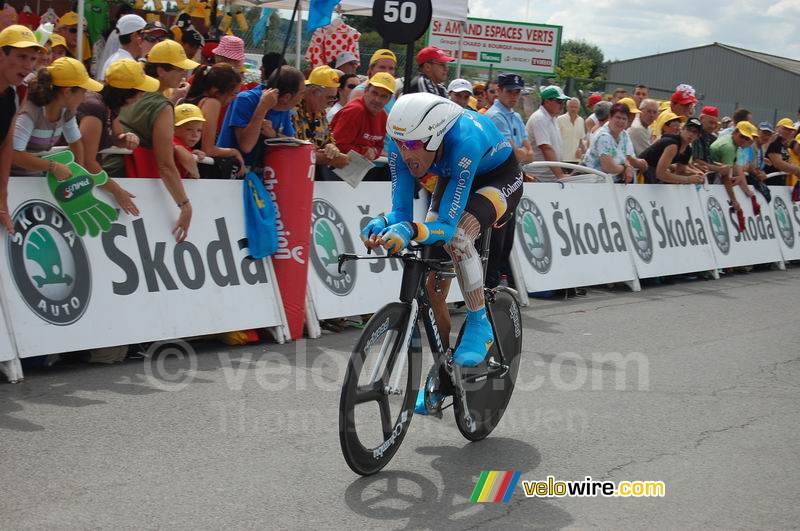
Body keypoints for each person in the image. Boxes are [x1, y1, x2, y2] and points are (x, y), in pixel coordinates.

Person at [360, 93, 523, 414]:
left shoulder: (466, 139)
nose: (407, 154)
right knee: (434, 285)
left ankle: (480, 323)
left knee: (460, 234)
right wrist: (379, 223)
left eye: (414, 145)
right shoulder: (401, 143)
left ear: (435, 137)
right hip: (451, 175)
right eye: (401, 145)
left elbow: (448, 225)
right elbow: (401, 211)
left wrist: (412, 230)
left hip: (498, 178)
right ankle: (443, 373)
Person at [116, 39, 198, 242]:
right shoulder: (161, 106)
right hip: (128, 180)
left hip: (110, 174)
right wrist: (185, 205)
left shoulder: (133, 91)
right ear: (161, 71)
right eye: (179, 70)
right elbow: (166, 166)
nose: (184, 75)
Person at [78, 59, 159, 214]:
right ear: (126, 93)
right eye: (140, 91)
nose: (142, 95)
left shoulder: (110, 106)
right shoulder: (94, 108)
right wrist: (117, 191)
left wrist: (125, 138)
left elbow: (116, 137)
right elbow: (87, 163)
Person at [12, 57, 103, 177]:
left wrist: (78, 173)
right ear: (67, 92)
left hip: (34, 177)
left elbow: (75, 143)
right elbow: (15, 154)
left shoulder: (67, 111)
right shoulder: (30, 113)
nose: (86, 96)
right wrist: (53, 167)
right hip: (11, 179)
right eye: (83, 92)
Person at [216, 65, 305, 169]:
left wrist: (274, 135)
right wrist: (262, 108)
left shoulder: (284, 109)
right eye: (302, 93)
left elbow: (292, 143)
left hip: (262, 173)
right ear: (286, 97)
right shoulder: (245, 99)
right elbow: (246, 146)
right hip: (232, 171)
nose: (303, 97)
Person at [0, 25, 43, 233]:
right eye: (22, 56)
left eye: (33, 59)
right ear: (1, 54)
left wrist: (3, 198)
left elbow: (7, 145)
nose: (28, 66)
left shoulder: (15, 95)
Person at [183, 63, 245, 172]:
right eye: (233, 94)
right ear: (216, 91)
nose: (234, 99)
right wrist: (234, 152)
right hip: (194, 170)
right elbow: (208, 150)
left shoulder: (184, 99)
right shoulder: (212, 103)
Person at [292, 65, 348, 175]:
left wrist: (331, 147)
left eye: (333, 98)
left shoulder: (320, 112)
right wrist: (326, 158)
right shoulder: (293, 109)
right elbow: (293, 149)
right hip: (292, 174)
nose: (331, 103)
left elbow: (328, 140)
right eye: (329, 98)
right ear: (313, 93)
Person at [330, 72, 395, 161]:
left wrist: (374, 151)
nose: (377, 99)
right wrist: (364, 151)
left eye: (383, 96)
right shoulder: (355, 111)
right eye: (374, 93)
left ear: (388, 100)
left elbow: (379, 146)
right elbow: (336, 146)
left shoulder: (383, 116)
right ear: (366, 91)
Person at [710, 121, 760, 228]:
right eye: (742, 136)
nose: (744, 140)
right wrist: (734, 200)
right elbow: (725, 176)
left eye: (747, 139)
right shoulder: (729, 147)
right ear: (735, 132)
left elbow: (737, 168)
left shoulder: (733, 142)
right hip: (710, 178)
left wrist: (747, 190)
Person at [582, 103, 645, 182]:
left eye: (624, 119)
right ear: (610, 118)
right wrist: (625, 168)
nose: (621, 121)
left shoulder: (624, 135)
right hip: (590, 180)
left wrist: (628, 166)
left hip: (610, 181)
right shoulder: (603, 136)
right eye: (618, 117)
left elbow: (625, 157)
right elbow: (608, 167)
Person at [639, 116, 704, 184]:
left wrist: (697, 176)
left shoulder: (688, 150)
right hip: (642, 173)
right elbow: (660, 174)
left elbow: (680, 173)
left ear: (698, 136)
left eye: (695, 132)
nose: (691, 134)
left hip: (652, 174)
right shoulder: (672, 145)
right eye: (689, 129)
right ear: (682, 129)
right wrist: (688, 179)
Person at [485, 73, 534, 165]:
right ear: (499, 91)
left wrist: (522, 152)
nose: (514, 96)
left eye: (517, 92)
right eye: (509, 91)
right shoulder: (495, 116)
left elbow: (531, 155)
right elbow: (515, 156)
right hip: (499, 176)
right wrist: (523, 151)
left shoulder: (516, 116)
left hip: (513, 174)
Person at [525, 84, 571, 180]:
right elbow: (546, 148)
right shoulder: (540, 118)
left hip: (548, 176)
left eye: (563, 101)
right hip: (538, 177)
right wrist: (560, 175)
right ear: (546, 101)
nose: (562, 104)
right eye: (559, 101)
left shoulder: (552, 118)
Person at [96, 14, 146, 81]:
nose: (146, 38)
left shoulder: (117, 59)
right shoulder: (126, 65)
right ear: (135, 36)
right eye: (144, 34)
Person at [762, 118, 800, 188]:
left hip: (780, 183)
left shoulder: (784, 145)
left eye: (790, 130)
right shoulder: (775, 143)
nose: (788, 132)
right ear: (777, 128)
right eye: (785, 128)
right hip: (769, 183)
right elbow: (778, 163)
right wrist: (796, 170)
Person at [172, 103, 207, 179]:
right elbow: (178, 149)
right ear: (174, 129)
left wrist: (192, 154)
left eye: (199, 130)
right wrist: (196, 174)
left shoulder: (185, 145)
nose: (195, 134)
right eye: (189, 129)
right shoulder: (171, 140)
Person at [556, 97, 585, 164]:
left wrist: (580, 149)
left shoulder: (581, 120)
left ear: (579, 108)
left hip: (576, 159)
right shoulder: (560, 120)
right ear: (567, 107)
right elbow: (555, 138)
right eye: (571, 107)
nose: (573, 109)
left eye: (575, 107)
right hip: (562, 158)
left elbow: (581, 139)